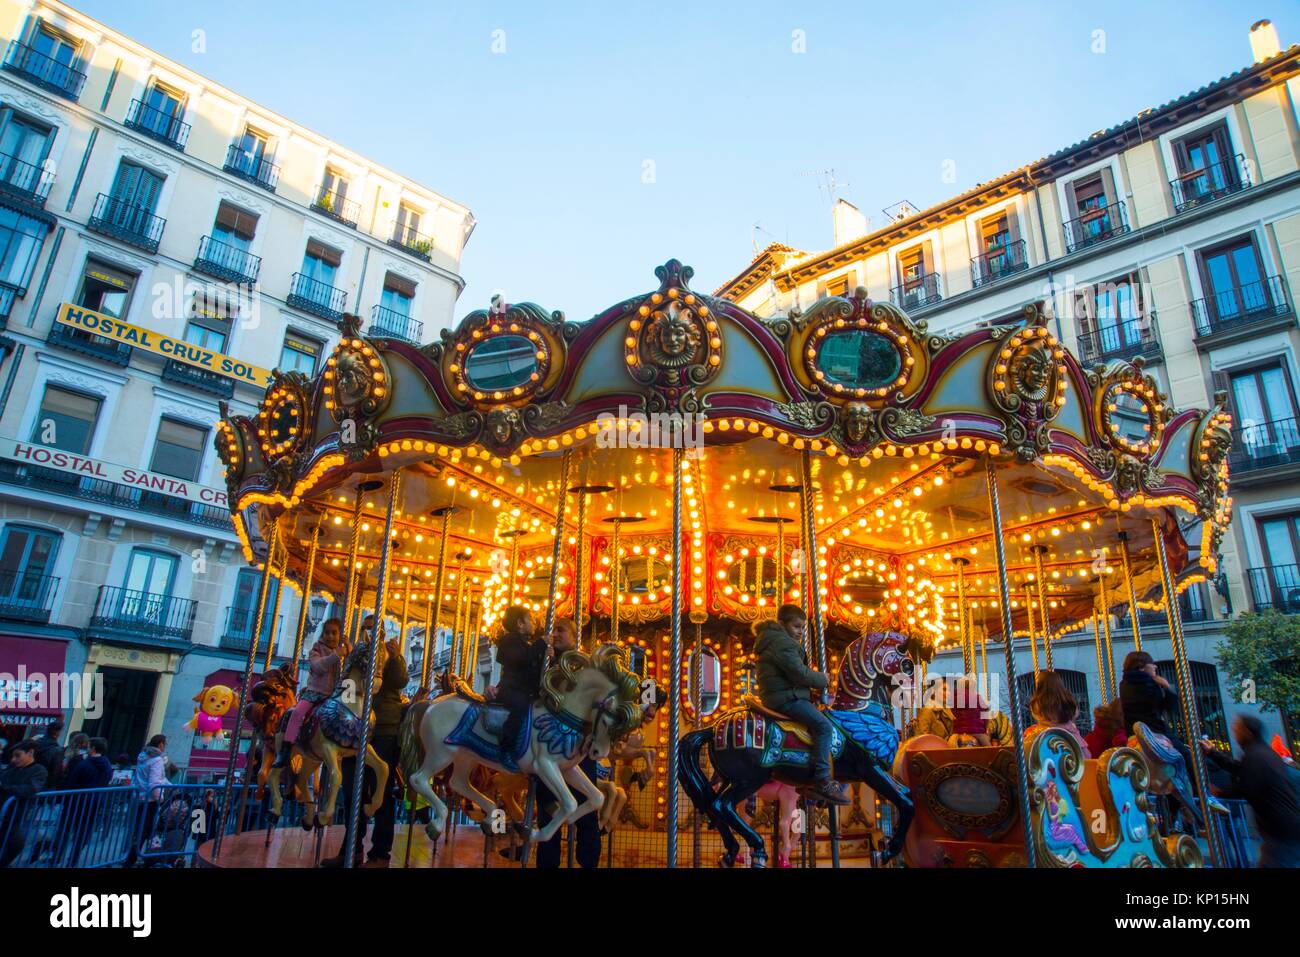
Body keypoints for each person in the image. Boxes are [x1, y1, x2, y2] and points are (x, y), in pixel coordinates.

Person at [753, 604, 849, 805]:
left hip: (779, 696)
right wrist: (822, 679)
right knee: (824, 727)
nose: (800, 632)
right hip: (786, 700)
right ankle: (822, 778)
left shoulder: (770, 640)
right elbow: (799, 673)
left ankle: (810, 775)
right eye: (796, 627)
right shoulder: (782, 643)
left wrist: (809, 692)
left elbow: (788, 676)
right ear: (782, 624)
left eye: (803, 628)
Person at [1201, 714, 1300, 868]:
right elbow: (1239, 769)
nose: (1234, 732)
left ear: (1247, 732)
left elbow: (1247, 786)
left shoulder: (1257, 756)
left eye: (1237, 729)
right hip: (1282, 827)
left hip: (1282, 828)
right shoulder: (1261, 753)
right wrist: (1213, 752)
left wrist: (1220, 792)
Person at [277, 617, 349, 766]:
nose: (330, 636)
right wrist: (336, 655)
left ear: (340, 635)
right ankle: (286, 748)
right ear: (322, 635)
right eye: (327, 633)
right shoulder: (316, 649)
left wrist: (348, 647)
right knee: (297, 713)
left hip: (334, 696)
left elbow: (352, 665)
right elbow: (319, 667)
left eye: (334, 633)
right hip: (315, 693)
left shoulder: (344, 651)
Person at [362, 637, 408, 867]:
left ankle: (381, 851)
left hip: (384, 728)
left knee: (384, 789)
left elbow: (401, 679)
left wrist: (397, 657)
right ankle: (350, 846)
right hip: (358, 725)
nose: (369, 634)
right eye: (366, 630)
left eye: (373, 630)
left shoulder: (391, 661)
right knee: (356, 790)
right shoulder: (363, 656)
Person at [492, 605, 546, 761]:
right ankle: (506, 745)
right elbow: (523, 658)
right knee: (521, 706)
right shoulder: (510, 640)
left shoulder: (524, 643)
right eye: (530, 619)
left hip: (523, 689)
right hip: (512, 690)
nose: (534, 622)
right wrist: (541, 643)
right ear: (520, 624)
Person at [0, 739, 48, 866]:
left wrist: (5, 789)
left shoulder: (39, 770)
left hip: (14, 814)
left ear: (30, 753)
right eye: (13, 756)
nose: (13, 759)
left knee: (16, 844)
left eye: (18, 755)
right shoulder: (11, 769)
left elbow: (30, 788)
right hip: (6, 812)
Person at [1024, 671, 1090, 757]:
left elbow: (1037, 716)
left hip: (1047, 735)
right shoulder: (1067, 699)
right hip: (1069, 734)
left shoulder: (1038, 702)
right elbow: (1075, 714)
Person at [126, 734, 168, 866]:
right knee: (144, 829)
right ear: (161, 744)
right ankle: (134, 857)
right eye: (165, 744)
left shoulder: (142, 757)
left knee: (145, 829)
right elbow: (154, 782)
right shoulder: (157, 760)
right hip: (150, 800)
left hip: (139, 797)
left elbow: (156, 779)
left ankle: (143, 857)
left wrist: (171, 786)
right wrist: (160, 798)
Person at [32, 719, 64, 789]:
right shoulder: (57, 750)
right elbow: (55, 772)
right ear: (57, 733)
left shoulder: (35, 743)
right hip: (45, 785)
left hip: (31, 781)